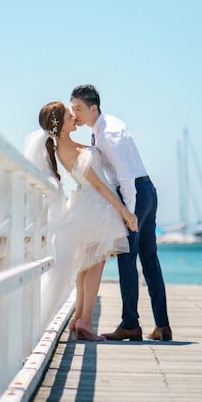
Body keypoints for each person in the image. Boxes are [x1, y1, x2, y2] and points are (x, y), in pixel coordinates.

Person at [24, 101, 138, 342]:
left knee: (87, 265)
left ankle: (78, 319)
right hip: (96, 207)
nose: (74, 117)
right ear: (60, 125)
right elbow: (97, 184)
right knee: (95, 264)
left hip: (87, 206)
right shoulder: (71, 151)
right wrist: (124, 211)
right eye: (68, 115)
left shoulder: (67, 147)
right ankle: (85, 321)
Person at [70, 84, 172, 342]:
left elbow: (124, 175)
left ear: (94, 108)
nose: (75, 114)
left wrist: (128, 211)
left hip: (135, 192)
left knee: (128, 258)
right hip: (147, 190)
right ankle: (162, 326)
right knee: (149, 259)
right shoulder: (107, 124)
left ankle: (130, 325)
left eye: (79, 109)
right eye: (72, 109)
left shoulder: (107, 134)